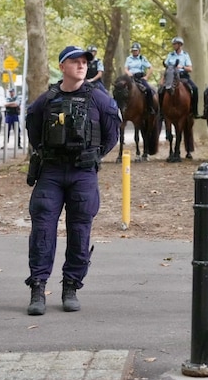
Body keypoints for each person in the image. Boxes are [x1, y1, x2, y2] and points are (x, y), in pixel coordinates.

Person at [25, 46, 120, 315]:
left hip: (83, 174)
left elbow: (111, 135)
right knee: (42, 229)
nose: (81, 66)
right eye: (74, 62)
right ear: (62, 66)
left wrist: (92, 156)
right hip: (51, 173)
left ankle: (71, 286)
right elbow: (34, 129)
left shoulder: (100, 100)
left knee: (80, 231)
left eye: (84, 62)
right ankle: (38, 288)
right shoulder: (46, 100)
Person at [160, 36, 199, 118]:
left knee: (195, 88)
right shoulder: (170, 55)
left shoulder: (185, 55)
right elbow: (166, 67)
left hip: (183, 77)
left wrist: (182, 67)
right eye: (173, 44)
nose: (174, 46)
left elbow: (190, 69)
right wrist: (163, 79)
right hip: (171, 77)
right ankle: (161, 112)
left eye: (175, 44)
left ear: (180, 45)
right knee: (160, 90)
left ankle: (194, 111)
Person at [123, 42, 156, 114]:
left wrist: (146, 77)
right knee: (121, 89)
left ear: (139, 51)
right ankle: (122, 107)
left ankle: (150, 107)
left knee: (148, 89)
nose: (134, 52)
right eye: (133, 50)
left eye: (136, 50)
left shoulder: (142, 58)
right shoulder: (128, 59)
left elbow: (150, 68)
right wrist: (129, 73)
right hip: (130, 78)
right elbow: (125, 68)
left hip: (140, 78)